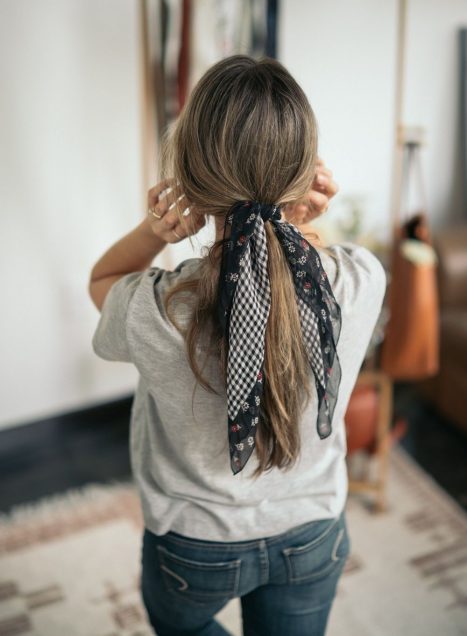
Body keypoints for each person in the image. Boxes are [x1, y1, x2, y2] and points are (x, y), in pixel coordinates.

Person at [89, 54, 387, 636]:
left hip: (193, 542)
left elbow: (100, 282)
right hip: (312, 532)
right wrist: (296, 223)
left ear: (191, 182)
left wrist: (155, 229)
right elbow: (287, 272)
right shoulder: (360, 280)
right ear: (305, 178)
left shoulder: (158, 309)